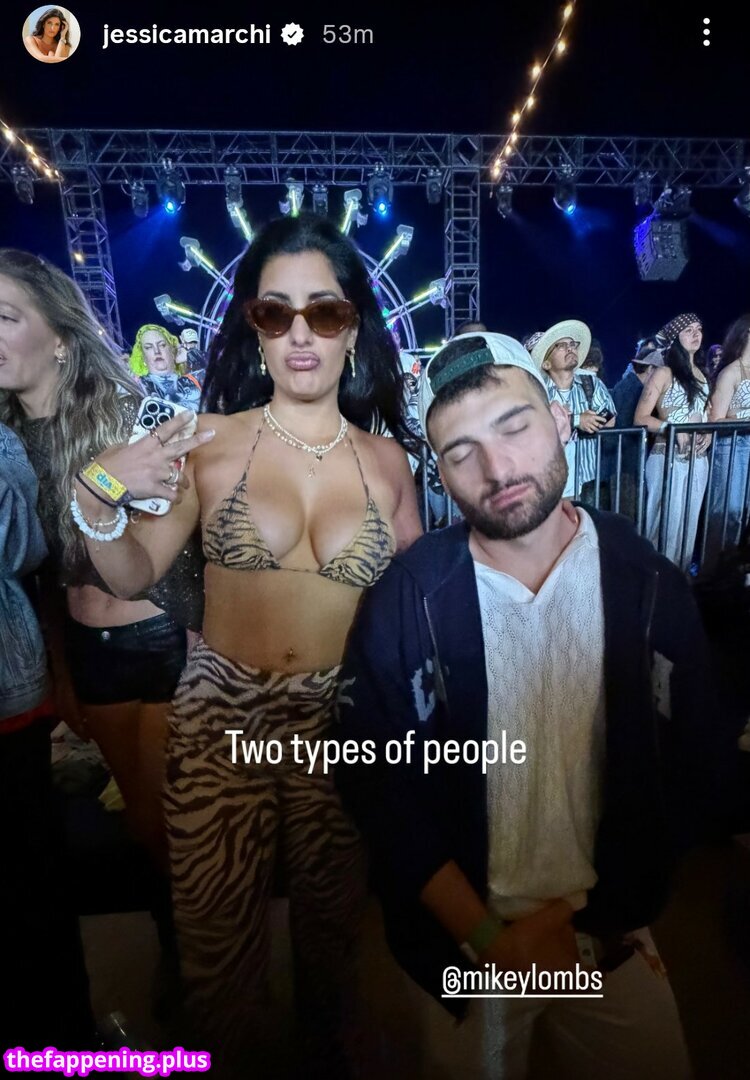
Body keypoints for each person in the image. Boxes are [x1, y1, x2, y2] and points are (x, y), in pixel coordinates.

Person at [69, 213, 422, 1076]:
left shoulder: (388, 463)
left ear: (353, 327)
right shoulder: (210, 443)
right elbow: (132, 572)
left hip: (340, 723)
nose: (301, 333)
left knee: (334, 936)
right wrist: (98, 492)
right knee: (217, 944)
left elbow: (416, 607)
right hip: (222, 719)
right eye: (275, 311)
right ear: (254, 328)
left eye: (324, 312)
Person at [335, 331, 724, 1079]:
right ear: (438, 470)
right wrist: (488, 938)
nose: (498, 469)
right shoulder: (408, 600)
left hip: (608, 936)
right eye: (461, 452)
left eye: (513, 426)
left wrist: (584, 916)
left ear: (558, 416)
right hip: (465, 953)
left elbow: (694, 763)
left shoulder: (647, 584)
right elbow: (376, 781)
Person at [0, 250, 203, 867]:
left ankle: (205, 926)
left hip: (164, 637)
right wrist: (60, 673)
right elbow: (36, 581)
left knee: (176, 818)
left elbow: (153, 563)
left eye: (5, 317)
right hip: (87, 652)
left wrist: (98, 488)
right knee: (141, 817)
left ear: (60, 337)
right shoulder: (7, 445)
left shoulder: (133, 418)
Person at [0, 422, 97, 1051]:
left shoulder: (3, 444)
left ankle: (65, 1045)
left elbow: (22, 549)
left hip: (9, 699)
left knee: (33, 883)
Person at [635, 313, 711, 572]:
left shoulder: (703, 374)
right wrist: (671, 428)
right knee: (663, 523)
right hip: (666, 456)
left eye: (699, 329)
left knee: (688, 525)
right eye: (688, 330)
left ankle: (680, 582)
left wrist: (708, 433)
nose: (696, 334)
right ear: (676, 337)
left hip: (697, 461)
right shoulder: (663, 373)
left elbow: (707, 414)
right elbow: (640, 418)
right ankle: (654, 580)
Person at [530, 319, 616, 502]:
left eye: (572, 344)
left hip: (586, 480)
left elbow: (609, 418)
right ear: (546, 364)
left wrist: (591, 422)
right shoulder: (538, 390)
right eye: (561, 346)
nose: (570, 348)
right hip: (549, 481)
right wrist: (577, 421)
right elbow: (534, 425)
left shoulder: (590, 383)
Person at [702, 314, 750, 575]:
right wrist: (744, 419)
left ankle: (735, 572)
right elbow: (716, 419)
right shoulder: (731, 372)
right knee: (728, 512)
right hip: (733, 447)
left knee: (745, 513)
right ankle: (713, 573)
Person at [606, 336, 664, 518]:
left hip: (622, 462)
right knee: (627, 514)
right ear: (651, 369)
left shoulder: (629, 384)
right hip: (625, 464)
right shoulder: (634, 390)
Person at [128, 323, 203, 410]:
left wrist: (190, 355)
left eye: (162, 345)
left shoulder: (193, 379)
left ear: (172, 349)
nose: (157, 351)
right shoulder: (137, 386)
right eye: (148, 347)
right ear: (143, 356)